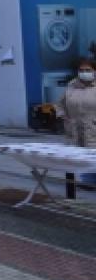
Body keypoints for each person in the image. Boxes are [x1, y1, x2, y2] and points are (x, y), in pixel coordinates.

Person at [57, 57, 96, 187]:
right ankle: (85, 182)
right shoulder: (71, 86)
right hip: (74, 129)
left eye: (88, 70)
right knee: (79, 157)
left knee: (92, 157)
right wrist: (63, 116)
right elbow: (60, 104)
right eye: (81, 70)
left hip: (93, 129)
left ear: (94, 71)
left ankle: (90, 182)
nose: (84, 72)